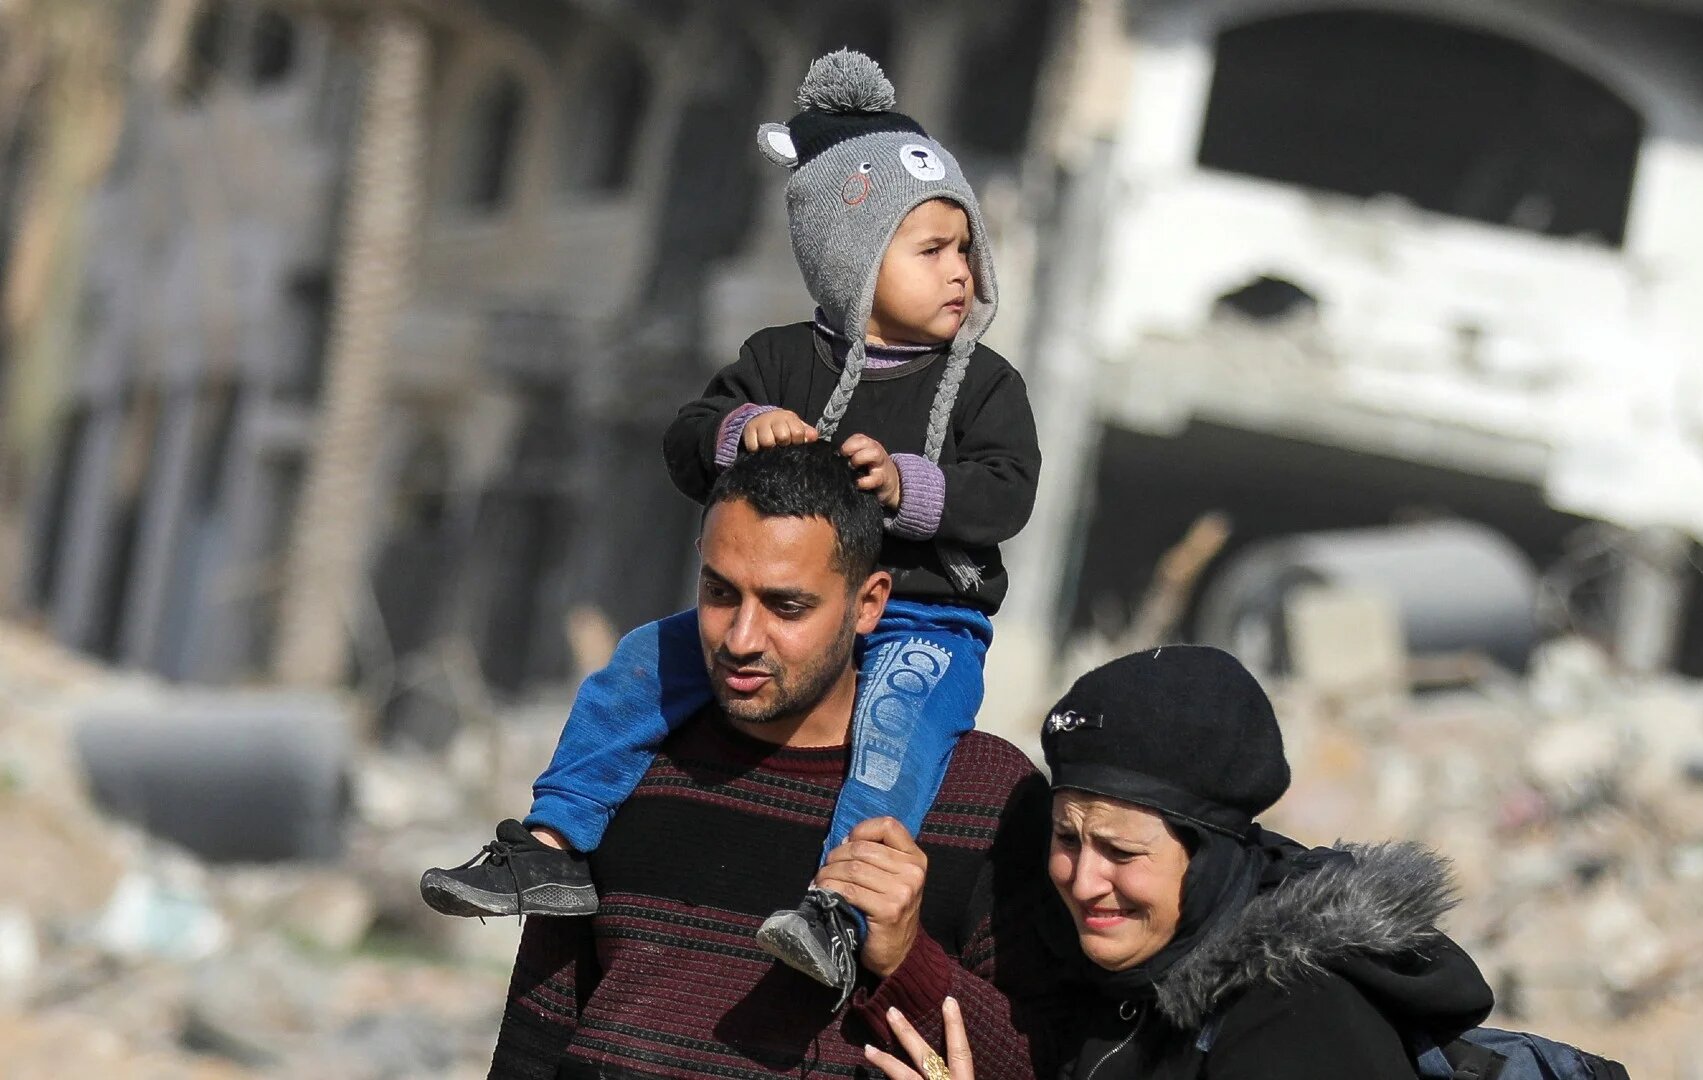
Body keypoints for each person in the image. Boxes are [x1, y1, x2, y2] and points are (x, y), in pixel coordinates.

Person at [421, 47, 1041, 1002]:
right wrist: (747, 429)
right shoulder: (780, 359)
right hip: (794, 619)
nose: (961, 272)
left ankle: (837, 914)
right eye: (932, 250)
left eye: (966, 249)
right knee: (637, 667)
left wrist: (913, 486)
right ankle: (549, 846)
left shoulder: (985, 386)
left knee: (894, 731)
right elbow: (687, 437)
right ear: (853, 259)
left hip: (926, 619)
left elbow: (1008, 491)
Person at [485, 444, 1059, 1079]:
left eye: (787, 606)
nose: (741, 640)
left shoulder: (985, 797)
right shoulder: (624, 763)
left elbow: (1048, 1057)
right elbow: (533, 1040)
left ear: (869, 603)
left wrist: (905, 959)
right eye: (720, 592)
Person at [869, 645, 1496, 1080]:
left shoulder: (1296, 1017)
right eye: (1067, 839)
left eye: (1122, 851)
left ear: (1208, 857)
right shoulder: (1119, 982)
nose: (1084, 881)